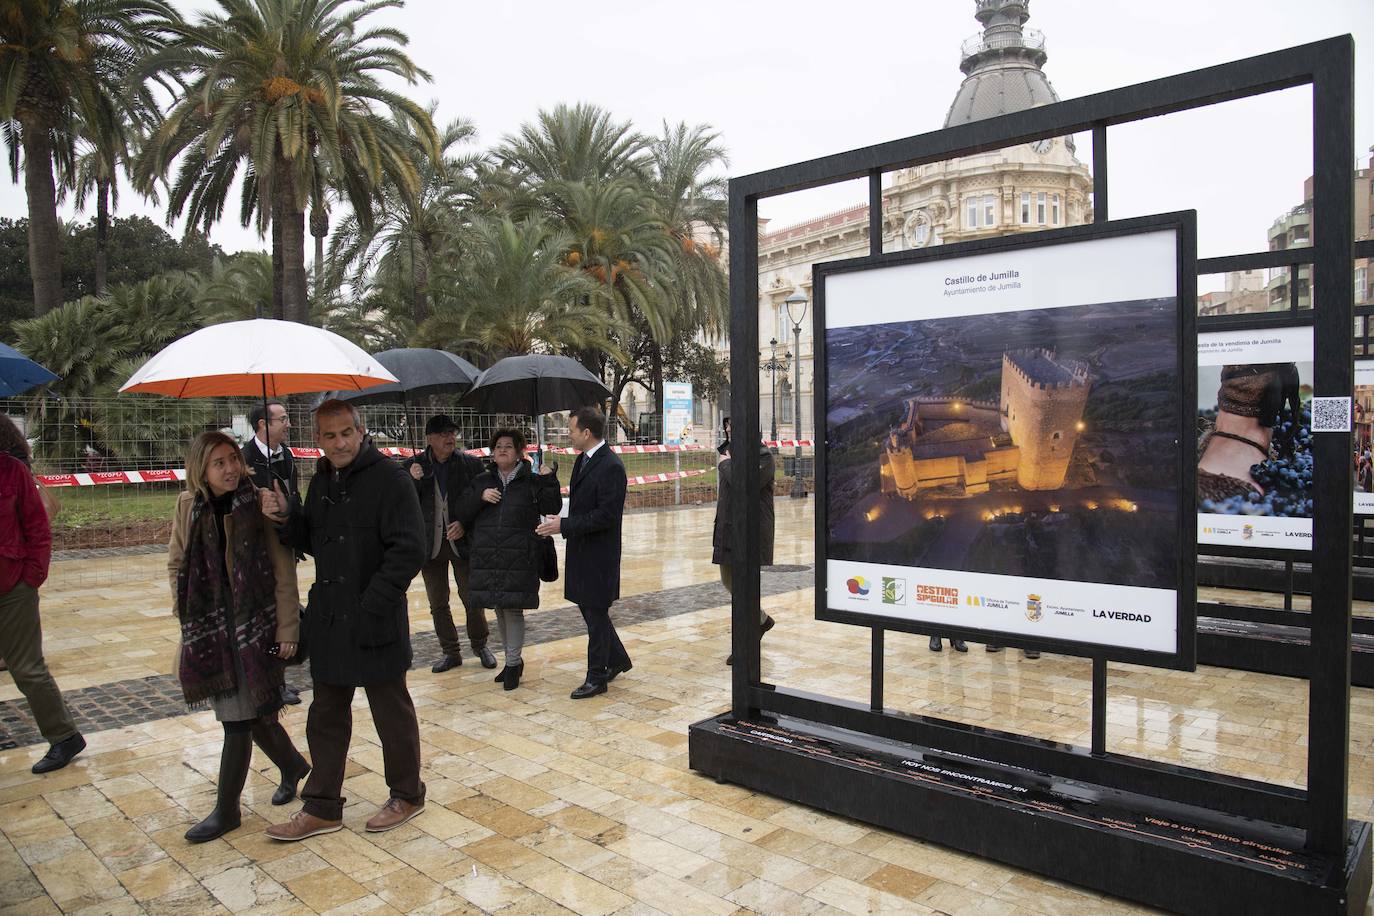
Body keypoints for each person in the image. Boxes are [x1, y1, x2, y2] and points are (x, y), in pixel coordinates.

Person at [261, 399, 427, 841]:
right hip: (331, 621)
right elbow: (316, 539)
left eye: (346, 433)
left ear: (361, 430)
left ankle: (407, 794)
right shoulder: (321, 482)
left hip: (375, 621)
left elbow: (409, 549)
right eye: (329, 435)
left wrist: (372, 603)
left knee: (391, 712)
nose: (339, 442)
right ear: (317, 439)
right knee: (326, 714)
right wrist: (286, 516)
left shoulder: (391, 481)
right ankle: (322, 806)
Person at [167, 432, 308, 843]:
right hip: (211, 631)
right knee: (252, 713)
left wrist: (287, 629)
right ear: (201, 470)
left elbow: (284, 572)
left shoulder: (259, 503)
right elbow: (177, 562)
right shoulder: (187, 506)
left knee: (237, 721)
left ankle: (226, 811)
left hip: (254, 627)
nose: (230, 468)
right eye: (219, 462)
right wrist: (187, 613)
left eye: (233, 458)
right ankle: (294, 766)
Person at [0, 415, 85, 774]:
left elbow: (37, 526)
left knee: (27, 670)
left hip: (12, 585)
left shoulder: (11, 471)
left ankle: (64, 736)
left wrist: (32, 576)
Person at [537, 407, 631, 699]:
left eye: (572, 429)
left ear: (586, 433)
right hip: (581, 549)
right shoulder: (582, 462)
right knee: (592, 611)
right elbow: (580, 506)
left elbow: (606, 516)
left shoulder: (611, 466)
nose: (569, 434)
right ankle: (616, 659)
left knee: (595, 613)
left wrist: (563, 525)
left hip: (599, 555)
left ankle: (596, 677)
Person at [458, 429, 561, 690]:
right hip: (489, 555)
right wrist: (479, 498)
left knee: (513, 607)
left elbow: (552, 507)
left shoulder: (531, 481)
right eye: (498, 446)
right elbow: (462, 511)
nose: (502, 450)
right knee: (500, 608)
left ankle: (513, 663)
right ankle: (511, 661)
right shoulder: (482, 480)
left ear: (519, 453)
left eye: (508, 446)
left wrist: (550, 479)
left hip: (519, 554)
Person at [402, 415, 495, 672]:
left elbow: (483, 497)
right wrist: (412, 479)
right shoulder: (413, 465)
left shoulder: (470, 464)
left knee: (471, 597)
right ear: (430, 439)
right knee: (437, 603)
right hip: (429, 546)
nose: (450, 438)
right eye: (443, 434)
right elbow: (400, 502)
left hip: (462, 544)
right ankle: (450, 651)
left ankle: (480, 644)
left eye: (452, 433)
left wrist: (464, 522)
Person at [241, 400, 302, 706]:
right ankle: (263, 679)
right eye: (282, 419)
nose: (288, 424)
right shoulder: (244, 459)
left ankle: (278, 679)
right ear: (263, 425)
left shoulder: (287, 455)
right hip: (255, 551)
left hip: (284, 544)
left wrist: (292, 516)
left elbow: (294, 496)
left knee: (284, 611)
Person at [714, 438, 777, 666]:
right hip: (729, 528)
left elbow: (745, 485)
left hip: (750, 531)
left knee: (743, 586)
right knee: (729, 581)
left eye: (733, 426)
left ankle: (744, 644)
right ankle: (760, 621)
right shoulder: (730, 453)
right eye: (728, 427)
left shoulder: (763, 456)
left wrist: (725, 465)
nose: (730, 430)